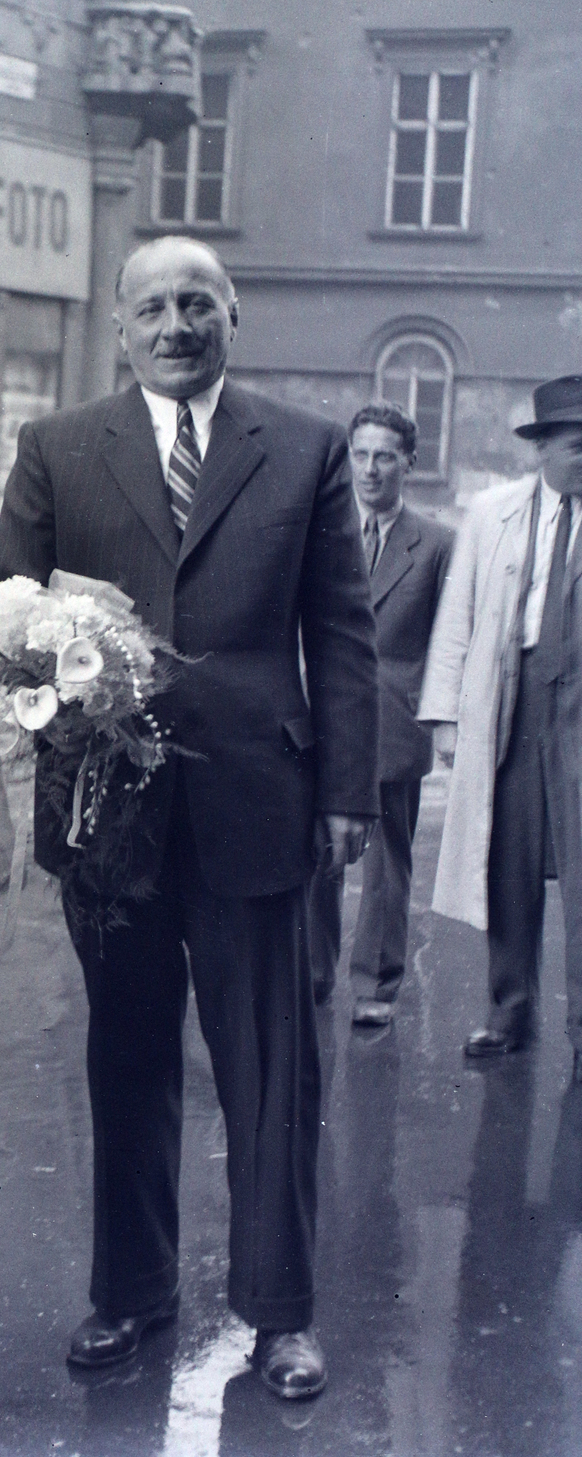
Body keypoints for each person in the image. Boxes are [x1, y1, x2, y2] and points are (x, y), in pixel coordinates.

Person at [0, 237, 378, 1399]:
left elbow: (341, 632)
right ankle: (129, 1292)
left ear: (231, 316)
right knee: (123, 1057)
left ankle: (281, 1314)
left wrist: (348, 791)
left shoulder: (301, 447)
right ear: (118, 326)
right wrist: (54, 710)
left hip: (260, 799)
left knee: (269, 1069)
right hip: (110, 809)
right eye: (151, 305)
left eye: (195, 303)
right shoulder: (56, 449)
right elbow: (9, 621)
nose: (174, 323)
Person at [418, 375, 581, 1084]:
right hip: (511, 703)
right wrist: (447, 717)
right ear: (541, 448)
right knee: (508, 867)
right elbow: (456, 618)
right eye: (577, 445)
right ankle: (507, 1011)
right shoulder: (492, 514)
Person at [308, 403, 455, 1027]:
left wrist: (443, 721)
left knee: (388, 859)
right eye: (361, 455)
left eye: (385, 456)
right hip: (321, 714)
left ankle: (376, 984)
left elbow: (450, 640)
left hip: (395, 722)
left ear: (409, 464)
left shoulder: (438, 544)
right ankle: (312, 974)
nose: (370, 470)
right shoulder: (322, 531)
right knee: (317, 849)